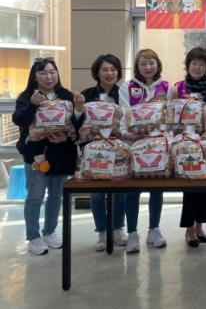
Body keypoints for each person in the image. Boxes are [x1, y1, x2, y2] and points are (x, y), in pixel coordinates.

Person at [12, 57, 79, 255]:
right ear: (35, 76)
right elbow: (19, 120)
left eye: (52, 72)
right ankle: (33, 237)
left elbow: (76, 123)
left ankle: (50, 231)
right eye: (42, 73)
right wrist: (32, 105)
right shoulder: (27, 96)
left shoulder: (66, 95)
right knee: (35, 196)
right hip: (36, 155)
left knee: (56, 195)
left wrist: (67, 136)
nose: (49, 77)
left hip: (61, 153)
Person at [74, 54, 136, 251]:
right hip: (94, 150)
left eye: (113, 69)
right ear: (97, 73)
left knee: (120, 193)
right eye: (105, 70)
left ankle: (117, 229)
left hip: (119, 150)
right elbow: (78, 124)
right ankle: (102, 232)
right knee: (97, 194)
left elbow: (130, 119)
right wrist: (78, 109)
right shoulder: (87, 94)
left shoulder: (124, 93)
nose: (110, 73)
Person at [118, 48, 169, 253]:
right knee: (133, 190)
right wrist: (127, 134)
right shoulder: (127, 87)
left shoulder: (167, 87)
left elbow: (169, 116)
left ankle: (154, 229)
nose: (148, 67)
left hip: (158, 145)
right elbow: (124, 115)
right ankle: (132, 232)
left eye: (151, 63)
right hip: (134, 144)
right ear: (137, 67)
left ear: (158, 65)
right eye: (143, 64)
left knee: (157, 188)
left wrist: (162, 133)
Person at [167, 47, 206, 249]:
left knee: (205, 185)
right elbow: (168, 116)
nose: (197, 67)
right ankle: (189, 228)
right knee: (189, 186)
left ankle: (200, 226)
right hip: (184, 142)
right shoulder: (177, 88)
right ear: (188, 65)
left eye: (202, 64)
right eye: (194, 63)